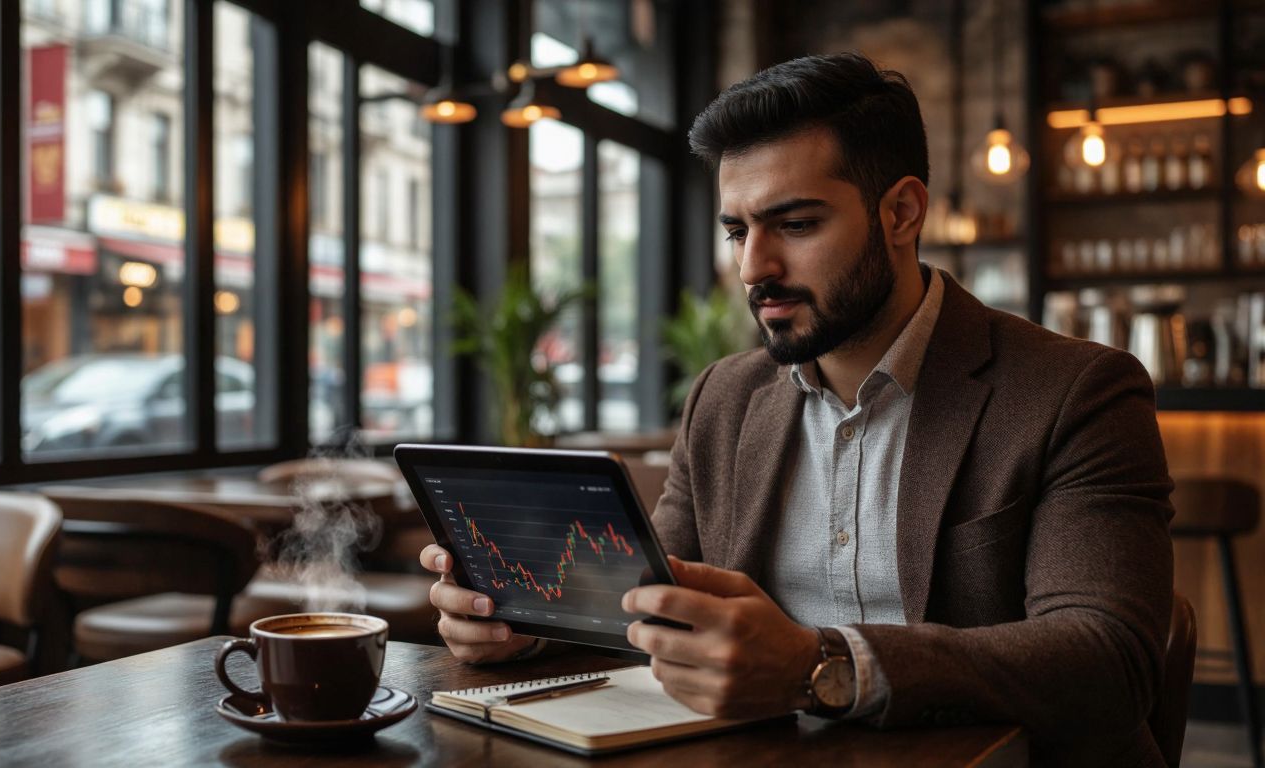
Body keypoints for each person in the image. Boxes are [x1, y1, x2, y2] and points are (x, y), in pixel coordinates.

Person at [420, 52, 1173, 766]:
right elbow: (647, 607)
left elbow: (1107, 657)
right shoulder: (722, 397)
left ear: (903, 212)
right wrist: (525, 627)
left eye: (797, 224)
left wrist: (823, 666)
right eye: (737, 231)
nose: (754, 269)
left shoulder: (1076, 390)